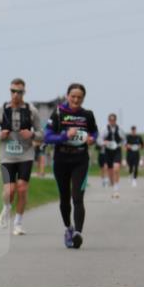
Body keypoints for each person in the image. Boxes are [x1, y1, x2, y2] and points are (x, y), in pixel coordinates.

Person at [44, 84, 97, 249]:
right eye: (73, 96)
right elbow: (47, 137)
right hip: (61, 159)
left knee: (77, 197)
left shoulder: (87, 115)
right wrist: (65, 136)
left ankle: (78, 234)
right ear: (67, 96)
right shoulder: (58, 113)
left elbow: (94, 132)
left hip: (80, 160)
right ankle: (69, 228)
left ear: (83, 98)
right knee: (65, 198)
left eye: (79, 97)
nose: (76, 100)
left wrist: (92, 139)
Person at [0, 78, 43, 235]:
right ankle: (6, 207)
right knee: (9, 190)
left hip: (26, 154)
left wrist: (32, 134)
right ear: (10, 91)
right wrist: (0, 134)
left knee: (22, 188)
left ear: (24, 92)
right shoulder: (1, 110)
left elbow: (41, 133)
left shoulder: (31, 111)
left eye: (19, 92)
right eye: (13, 91)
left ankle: (18, 223)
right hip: (7, 155)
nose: (16, 95)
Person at [102, 113, 124, 199]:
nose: (112, 121)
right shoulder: (104, 129)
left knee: (116, 169)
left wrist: (121, 144)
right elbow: (99, 139)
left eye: (113, 120)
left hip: (117, 151)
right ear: (108, 120)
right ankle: (112, 183)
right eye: (110, 120)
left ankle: (116, 189)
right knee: (110, 170)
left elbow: (124, 140)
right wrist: (104, 142)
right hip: (108, 151)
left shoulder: (120, 129)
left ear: (115, 120)